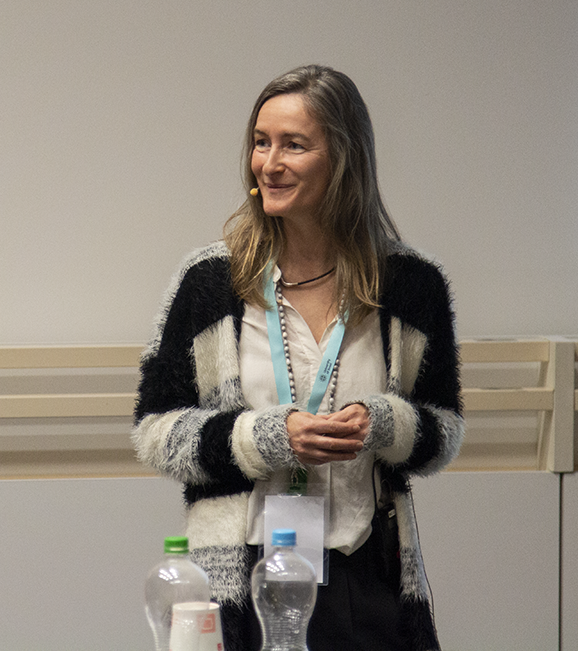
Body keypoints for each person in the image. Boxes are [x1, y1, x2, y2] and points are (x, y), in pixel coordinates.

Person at [133, 65, 463, 651]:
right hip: (240, 579)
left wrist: (383, 424)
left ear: (344, 159)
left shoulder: (412, 285)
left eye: (294, 145)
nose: (269, 163)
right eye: (261, 142)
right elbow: (156, 433)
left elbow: (443, 431)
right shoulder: (209, 282)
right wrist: (266, 437)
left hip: (368, 574)